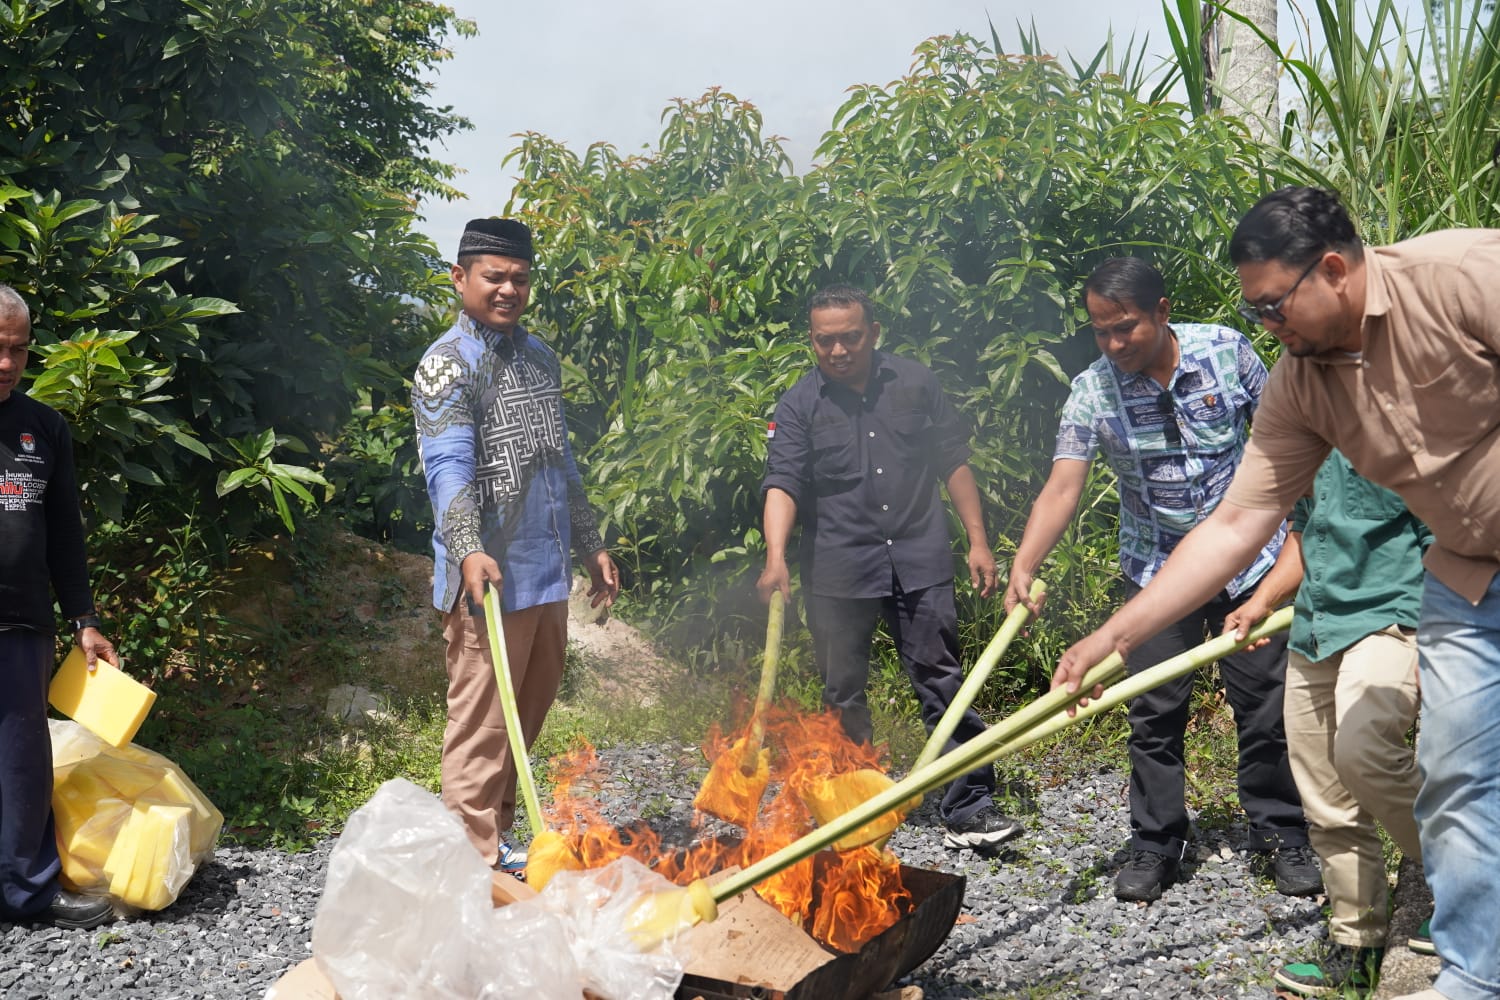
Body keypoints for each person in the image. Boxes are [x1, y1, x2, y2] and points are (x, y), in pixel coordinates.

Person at [1053, 187, 1500, 1000]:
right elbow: (1236, 525)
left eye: (1272, 307)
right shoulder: (1301, 382)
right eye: (1255, 312)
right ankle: (1476, 977)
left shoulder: (1465, 276)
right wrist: (1109, 638)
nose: (1268, 327)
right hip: (1471, 580)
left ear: (1332, 269)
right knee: (1452, 771)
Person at [1005, 257, 1316, 903]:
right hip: (1155, 573)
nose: (1114, 344)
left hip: (1250, 565)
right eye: (1100, 331)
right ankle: (1155, 843)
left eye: (1125, 328)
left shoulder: (1229, 354)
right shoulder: (1093, 389)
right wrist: (1025, 563)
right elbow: (1064, 487)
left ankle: (1283, 833)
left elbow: (1287, 445)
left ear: (1163, 311)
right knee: (1155, 713)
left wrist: (1287, 561)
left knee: (1264, 711)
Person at [757, 283, 1020, 852]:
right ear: (812, 342)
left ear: (873, 333)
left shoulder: (915, 383)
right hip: (837, 570)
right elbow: (782, 482)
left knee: (942, 680)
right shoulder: (799, 404)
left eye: (850, 337)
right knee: (842, 691)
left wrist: (978, 540)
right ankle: (859, 804)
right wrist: (776, 557)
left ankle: (969, 806)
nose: (839, 350)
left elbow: (954, 461)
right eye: (825, 341)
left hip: (920, 557)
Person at [412, 219, 618, 876]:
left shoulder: (541, 359)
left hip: (544, 572)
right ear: (460, 278)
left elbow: (564, 462)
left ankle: (491, 841)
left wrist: (590, 545)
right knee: (481, 727)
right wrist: (468, 546)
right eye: (493, 276)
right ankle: (467, 866)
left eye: (519, 278)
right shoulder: (448, 364)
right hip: (487, 581)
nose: (507, 289)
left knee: (522, 720)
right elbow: (446, 466)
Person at [1223, 451, 1427, 996]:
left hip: (1393, 617)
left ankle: (1466, 883)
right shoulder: (1305, 422)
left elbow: (1448, 534)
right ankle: (1357, 944)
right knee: (1323, 797)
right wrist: (1262, 600)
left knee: (1364, 751)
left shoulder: (1408, 413)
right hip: (1317, 624)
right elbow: (1304, 528)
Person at [0, 283, 118, 931]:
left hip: (23, 623)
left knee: (22, 764)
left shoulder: (43, 428)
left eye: (18, 349)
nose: (8, 363)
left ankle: (26, 893)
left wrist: (85, 620)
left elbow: (65, 535)